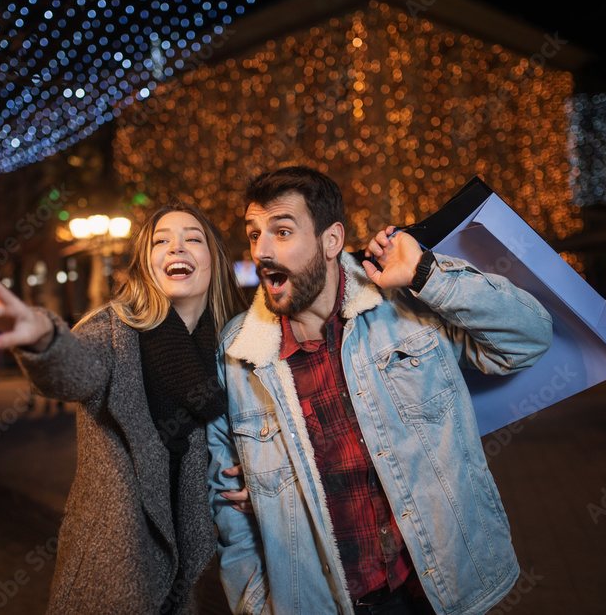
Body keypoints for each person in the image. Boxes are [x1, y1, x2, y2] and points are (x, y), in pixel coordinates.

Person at [207, 167, 553, 615]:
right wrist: (257, 603)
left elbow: (527, 339)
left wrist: (426, 272)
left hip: (438, 591)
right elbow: (228, 509)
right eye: (255, 235)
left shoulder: (404, 304)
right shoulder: (237, 356)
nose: (262, 251)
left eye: (283, 232)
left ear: (331, 241)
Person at [0, 203, 252, 614]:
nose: (176, 248)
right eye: (161, 241)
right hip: (113, 569)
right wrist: (41, 337)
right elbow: (73, 369)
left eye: (192, 239)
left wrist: (265, 485)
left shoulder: (236, 346)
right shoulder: (114, 331)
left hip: (193, 574)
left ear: (214, 259)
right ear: (146, 264)